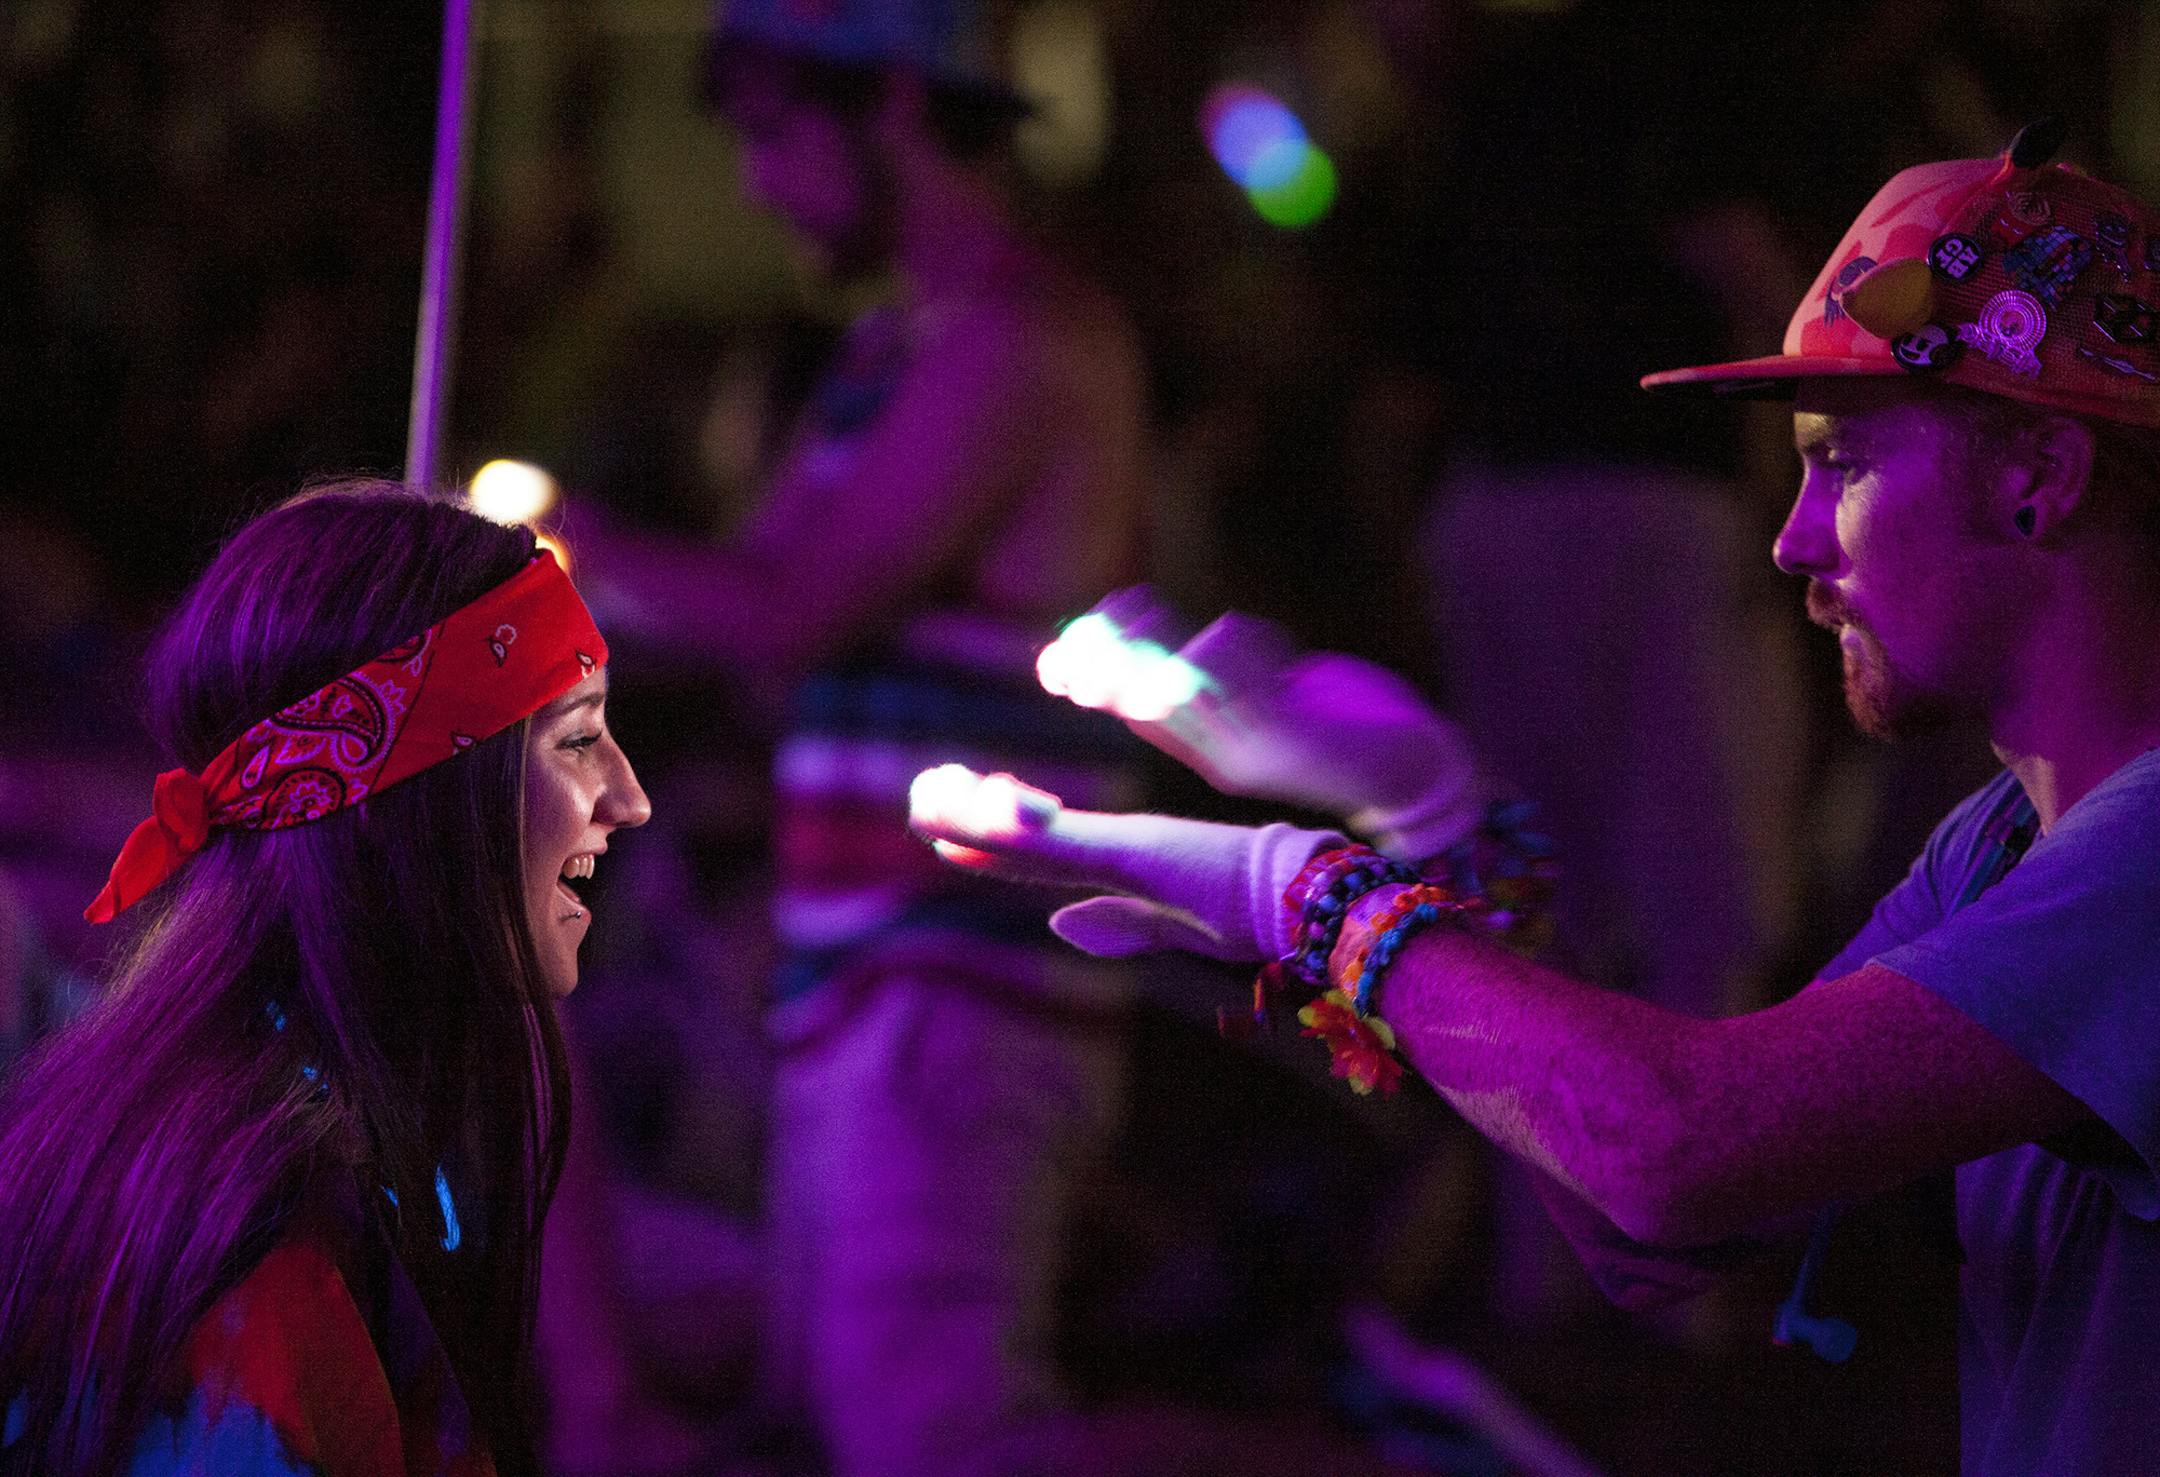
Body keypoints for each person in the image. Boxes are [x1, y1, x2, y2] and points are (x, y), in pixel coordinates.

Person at [912, 129, 2160, 1473]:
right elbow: (1647, 1225)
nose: (1793, 537)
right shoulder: (1999, 844)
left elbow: (1683, 1150)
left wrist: (1304, 894)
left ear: (2038, 478)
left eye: (1844, 464)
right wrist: (1438, 820)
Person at [559, 2, 1150, 1472]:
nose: (760, 183)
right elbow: (733, 606)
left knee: (930, 1433)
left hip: (963, 974)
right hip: (864, 965)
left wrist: (557, 542)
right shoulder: (892, 345)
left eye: (774, 133)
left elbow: (789, 610)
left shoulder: (1025, 338)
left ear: (894, 105)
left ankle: (1397, 1437)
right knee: (837, 1416)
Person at [0, 482, 651, 1476]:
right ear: (412, 806)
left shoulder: (332, 1124)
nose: (627, 798)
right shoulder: (266, 1256)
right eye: (572, 740)